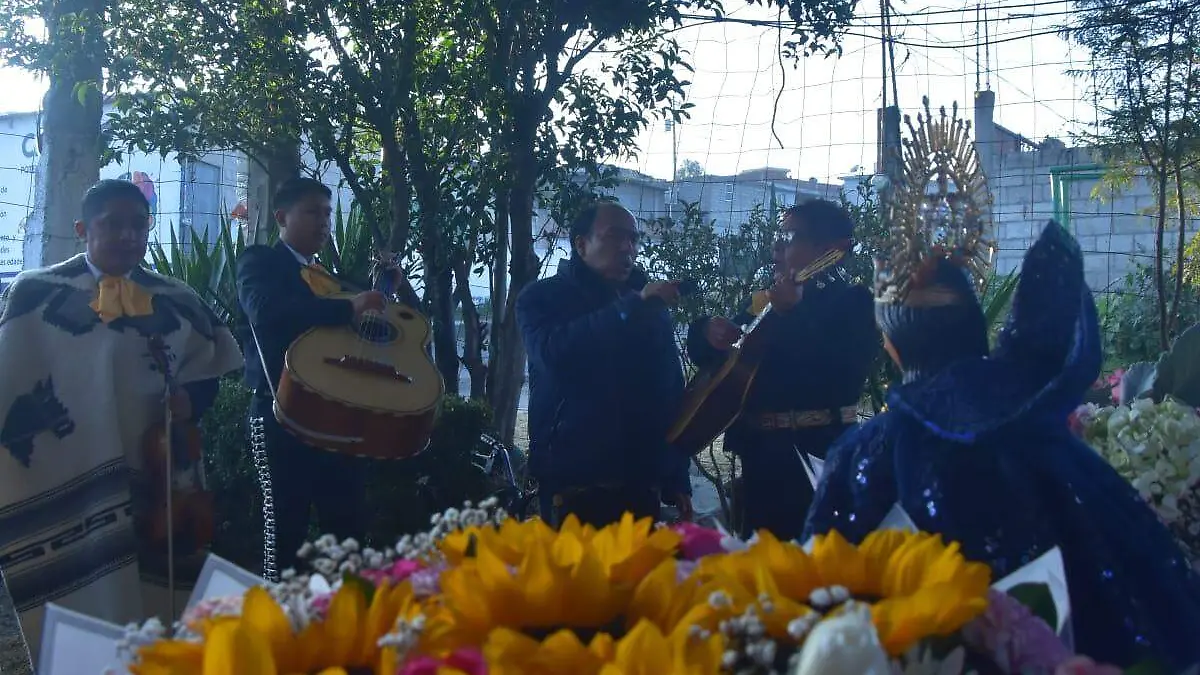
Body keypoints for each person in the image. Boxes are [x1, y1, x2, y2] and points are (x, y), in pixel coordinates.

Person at [804, 221, 1200, 671]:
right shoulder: (1040, 427)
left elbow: (819, 592)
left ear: (892, 343)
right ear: (973, 324)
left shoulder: (871, 449)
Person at [0, 179, 242, 658]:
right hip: (69, 472)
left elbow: (210, 372)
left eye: (139, 225)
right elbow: (11, 383)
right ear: (82, 228)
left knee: (163, 594)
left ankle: (159, 664)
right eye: (113, 225)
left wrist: (191, 401)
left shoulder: (176, 297)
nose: (128, 236)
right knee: (83, 592)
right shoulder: (35, 293)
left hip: (160, 479)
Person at [686, 200, 877, 541]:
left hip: (818, 455)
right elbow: (724, 355)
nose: (776, 246)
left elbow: (840, 376)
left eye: (790, 237)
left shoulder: (854, 302)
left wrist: (794, 315)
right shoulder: (769, 299)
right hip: (760, 455)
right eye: (778, 235)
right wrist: (705, 332)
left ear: (829, 249)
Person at [236, 177, 384, 579]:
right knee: (284, 525)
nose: (323, 222)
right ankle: (280, 624)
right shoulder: (259, 262)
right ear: (282, 217)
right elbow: (266, 313)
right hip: (279, 410)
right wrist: (345, 309)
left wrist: (384, 294)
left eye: (327, 213)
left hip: (336, 413)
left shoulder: (328, 278)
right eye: (312, 212)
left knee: (349, 521)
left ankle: (350, 619)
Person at [518, 201, 692, 528]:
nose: (628, 247)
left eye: (634, 239)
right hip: (572, 487)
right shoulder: (541, 298)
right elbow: (555, 356)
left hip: (642, 485)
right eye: (615, 237)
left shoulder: (648, 304)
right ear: (581, 244)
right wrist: (630, 309)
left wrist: (676, 474)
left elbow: (669, 390)